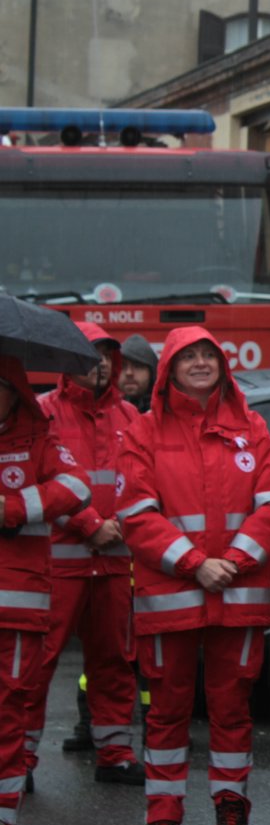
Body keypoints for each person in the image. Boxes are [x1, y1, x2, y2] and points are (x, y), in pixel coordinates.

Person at [115, 327, 270, 825]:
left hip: (235, 600)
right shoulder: (144, 431)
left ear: (222, 364)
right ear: (168, 368)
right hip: (172, 602)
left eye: (207, 356)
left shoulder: (251, 426)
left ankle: (230, 812)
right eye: (187, 357)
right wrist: (195, 565)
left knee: (232, 712)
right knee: (166, 713)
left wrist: (229, 564)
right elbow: (136, 516)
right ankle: (163, 816)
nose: (198, 364)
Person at [25, 324, 143, 790]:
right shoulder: (41, 414)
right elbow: (38, 483)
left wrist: (122, 527)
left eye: (109, 356)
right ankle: (20, 761)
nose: (102, 364)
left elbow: (144, 483)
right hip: (58, 561)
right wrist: (91, 525)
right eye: (92, 355)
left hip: (114, 562)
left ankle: (114, 753)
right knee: (36, 665)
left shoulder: (131, 416)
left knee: (114, 660)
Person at [0, 354, 91, 825]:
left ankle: (3, 813)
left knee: (9, 710)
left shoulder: (37, 437)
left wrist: (13, 508)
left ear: (13, 391)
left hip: (16, 605)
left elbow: (76, 488)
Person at [118, 334, 158, 412]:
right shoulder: (103, 413)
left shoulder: (165, 412)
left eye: (137, 366)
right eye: (122, 366)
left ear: (152, 373)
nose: (129, 373)